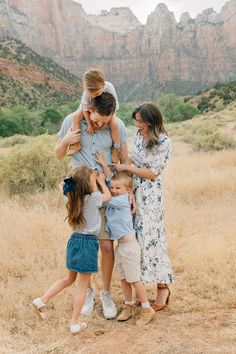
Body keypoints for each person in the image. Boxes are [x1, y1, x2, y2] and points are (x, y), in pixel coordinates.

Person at [55, 92, 130, 319]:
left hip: (104, 191)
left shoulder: (118, 127)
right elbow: (58, 154)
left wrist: (129, 190)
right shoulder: (72, 120)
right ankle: (87, 291)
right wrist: (66, 141)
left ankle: (106, 293)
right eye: (97, 119)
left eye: (105, 122)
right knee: (84, 243)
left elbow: (124, 162)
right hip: (80, 195)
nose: (100, 124)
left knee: (106, 246)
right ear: (90, 109)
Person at [32, 165, 111, 334]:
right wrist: (101, 181)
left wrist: (75, 180)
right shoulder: (94, 197)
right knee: (82, 286)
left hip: (74, 241)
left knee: (69, 279)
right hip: (88, 244)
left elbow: (61, 185)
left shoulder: (72, 196)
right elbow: (108, 196)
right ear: (87, 183)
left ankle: (42, 300)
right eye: (92, 175)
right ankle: (74, 323)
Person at [112, 102, 174, 311]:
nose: (137, 125)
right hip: (136, 190)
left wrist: (128, 167)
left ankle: (163, 287)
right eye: (136, 121)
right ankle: (141, 291)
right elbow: (133, 161)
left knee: (153, 237)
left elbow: (152, 173)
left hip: (151, 194)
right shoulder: (139, 136)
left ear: (151, 121)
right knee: (137, 239)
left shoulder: (164, 142)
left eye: (141, 121)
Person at [96, 152, 155, 325]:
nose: (113, 191)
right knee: (123, 277)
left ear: (128, 191)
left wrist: (99, 183)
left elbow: (104, 194)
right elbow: (111, 181)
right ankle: (128, 306)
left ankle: (146, 308)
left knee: (134, 278)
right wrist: (105, 167)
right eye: (113, 188)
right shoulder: (117, 195)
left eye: (118, 189)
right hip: (120, 247)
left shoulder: (121, 201)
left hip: (129, 246)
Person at [67, 68, 120, 163]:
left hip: (106, 109)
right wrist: (90, 125)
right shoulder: (86, 92)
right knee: (75, 117)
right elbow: (84, 109)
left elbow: (113, 106)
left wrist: (106, 120)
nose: (94, 96)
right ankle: (76, 144)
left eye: (96, 93)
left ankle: (116, 148)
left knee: (115, 124)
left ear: (103, 86)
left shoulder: (109, 87)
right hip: (89, 107)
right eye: (91, 94)